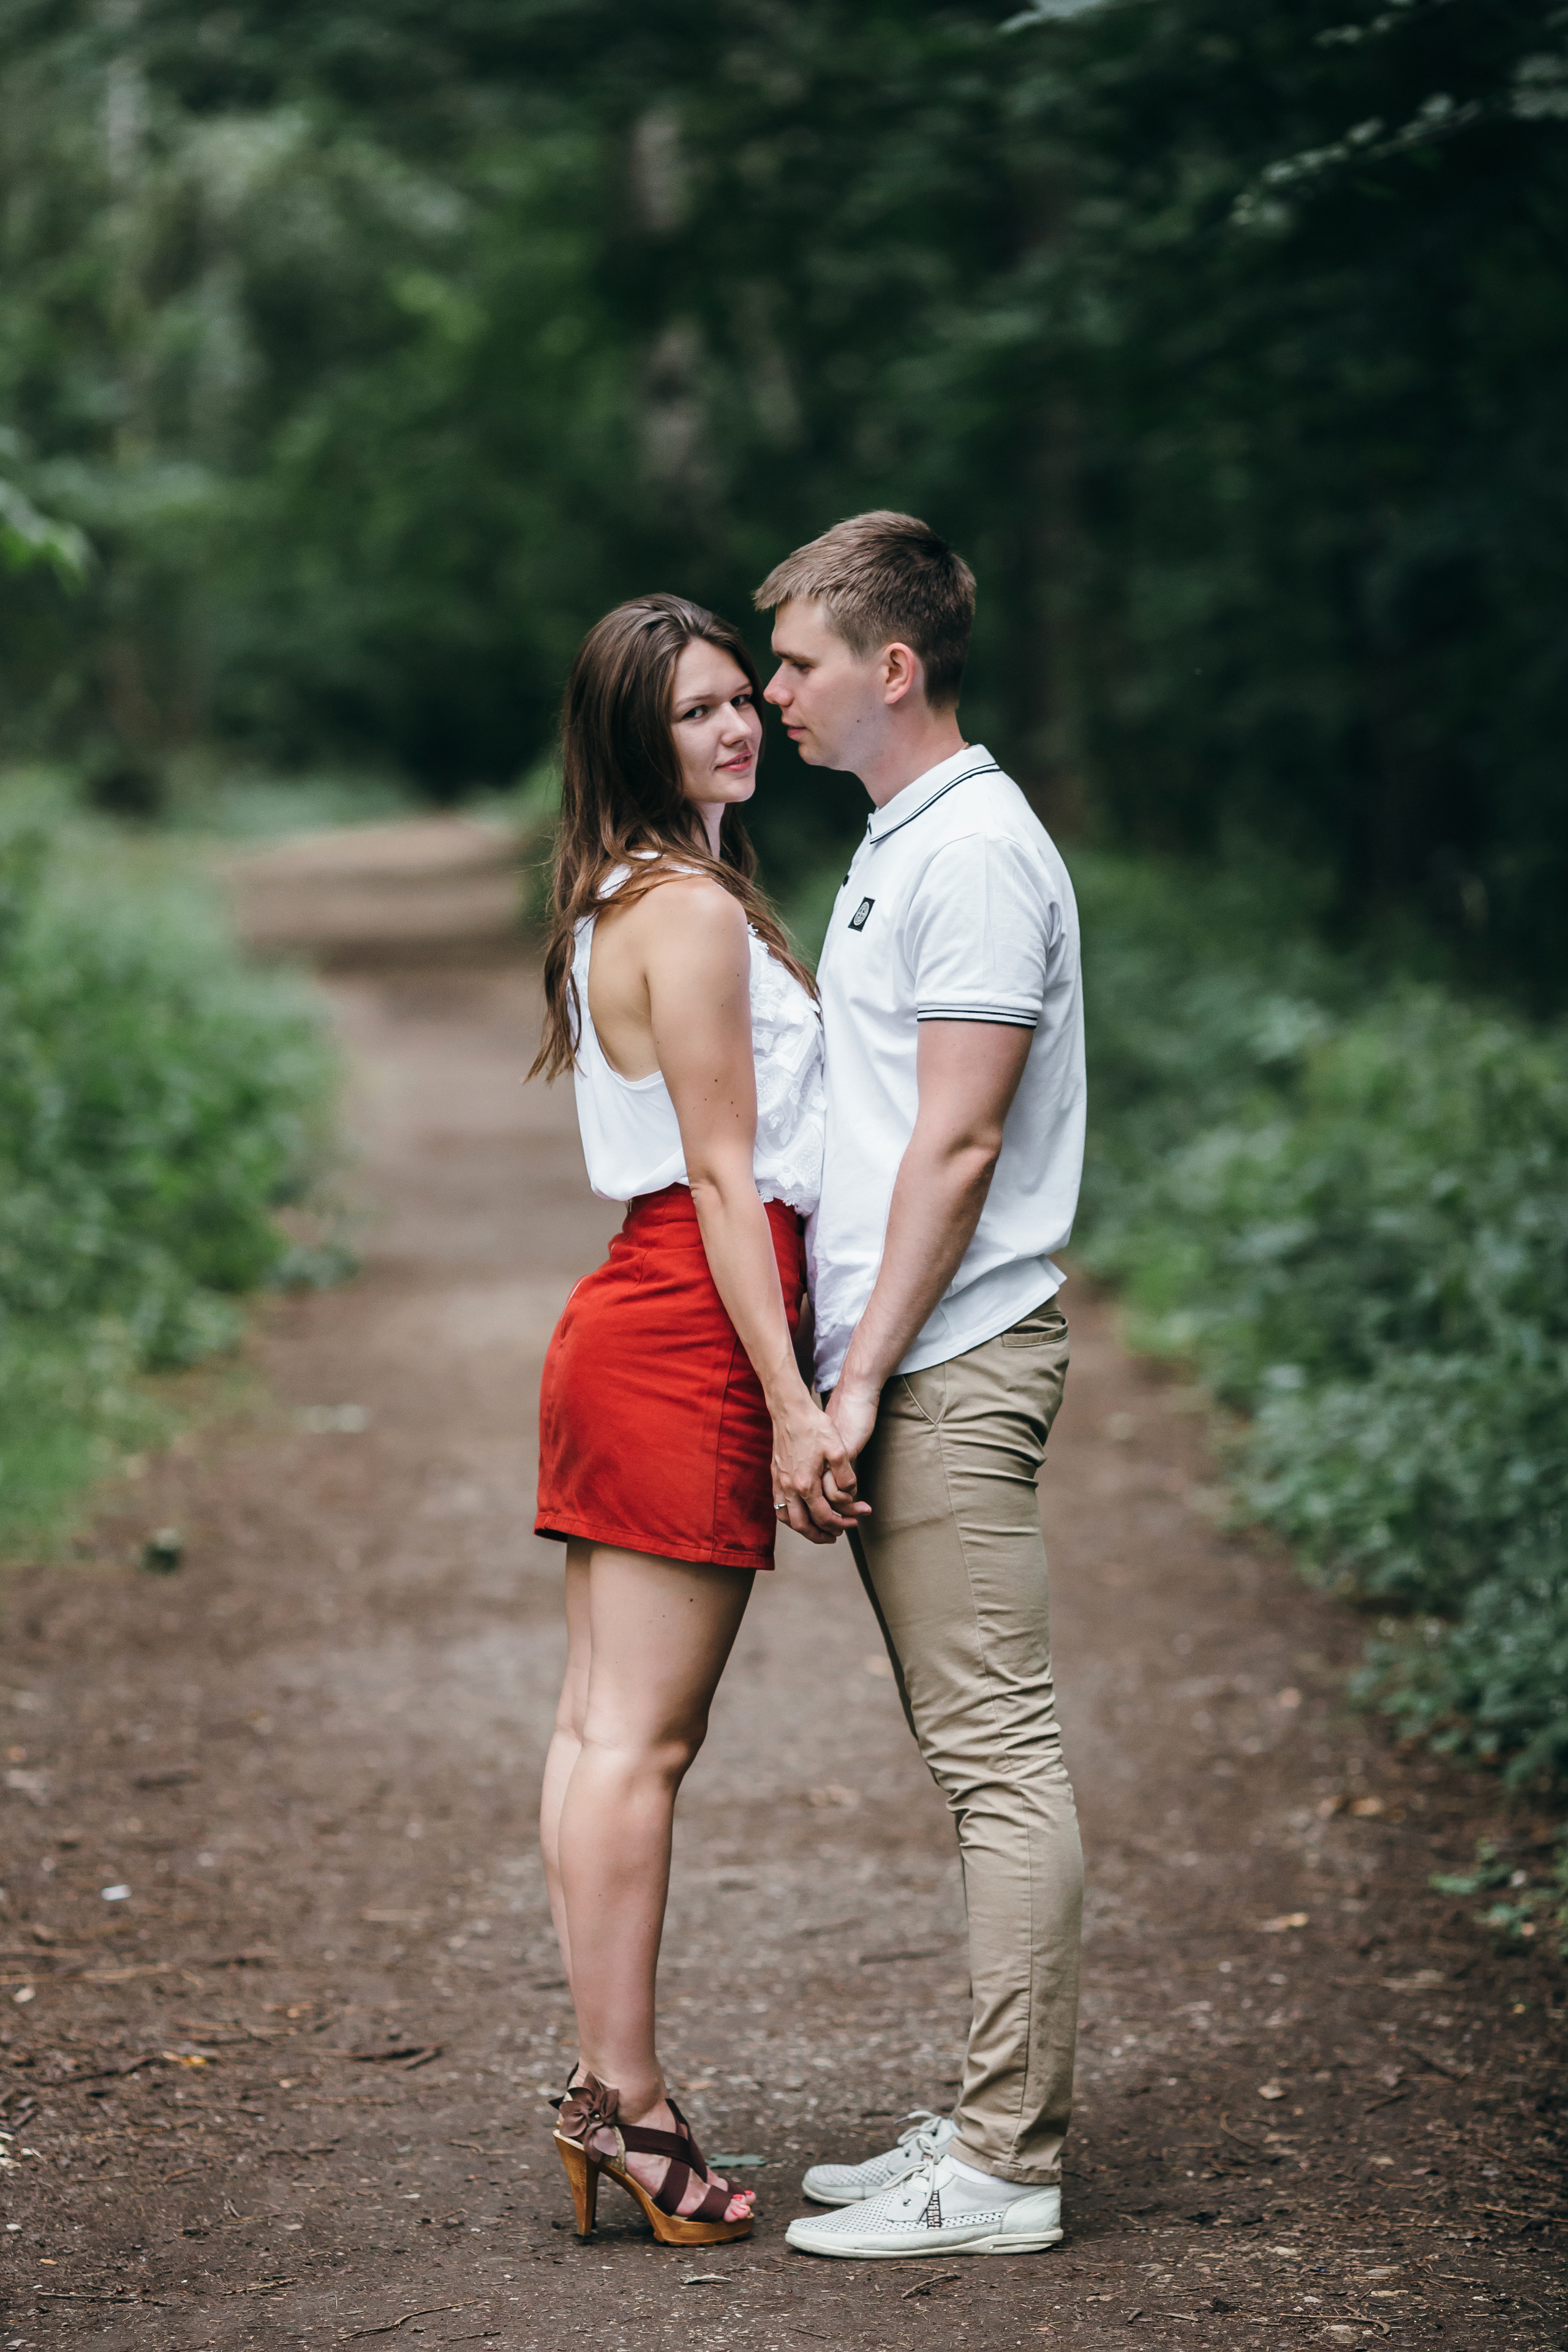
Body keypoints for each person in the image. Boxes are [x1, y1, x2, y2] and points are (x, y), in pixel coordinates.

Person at [755, 513, 1087, 2261]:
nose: (776, 693)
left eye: (800, 662)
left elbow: (957, 1142)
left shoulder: (972, 852)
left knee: (999, 1761)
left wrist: (862, 1380)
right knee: (978, 1758)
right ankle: (984, 2121)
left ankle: (1007, 2165)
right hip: (919, 1354)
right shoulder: (911, 837)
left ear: (894, 668)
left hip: (948, 1358)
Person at [529, 594, 863, 2248]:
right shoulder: (694, 914)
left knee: (604, 1732)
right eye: (696, 713)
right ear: (630, 740)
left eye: (745, 698)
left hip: (635, 1314)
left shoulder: (628, 895)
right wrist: (796, 1402)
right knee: (641, 1745)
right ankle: (629, 2106)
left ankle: (609, 2089)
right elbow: (731, 1176)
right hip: (685, 1329)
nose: (737, 727)